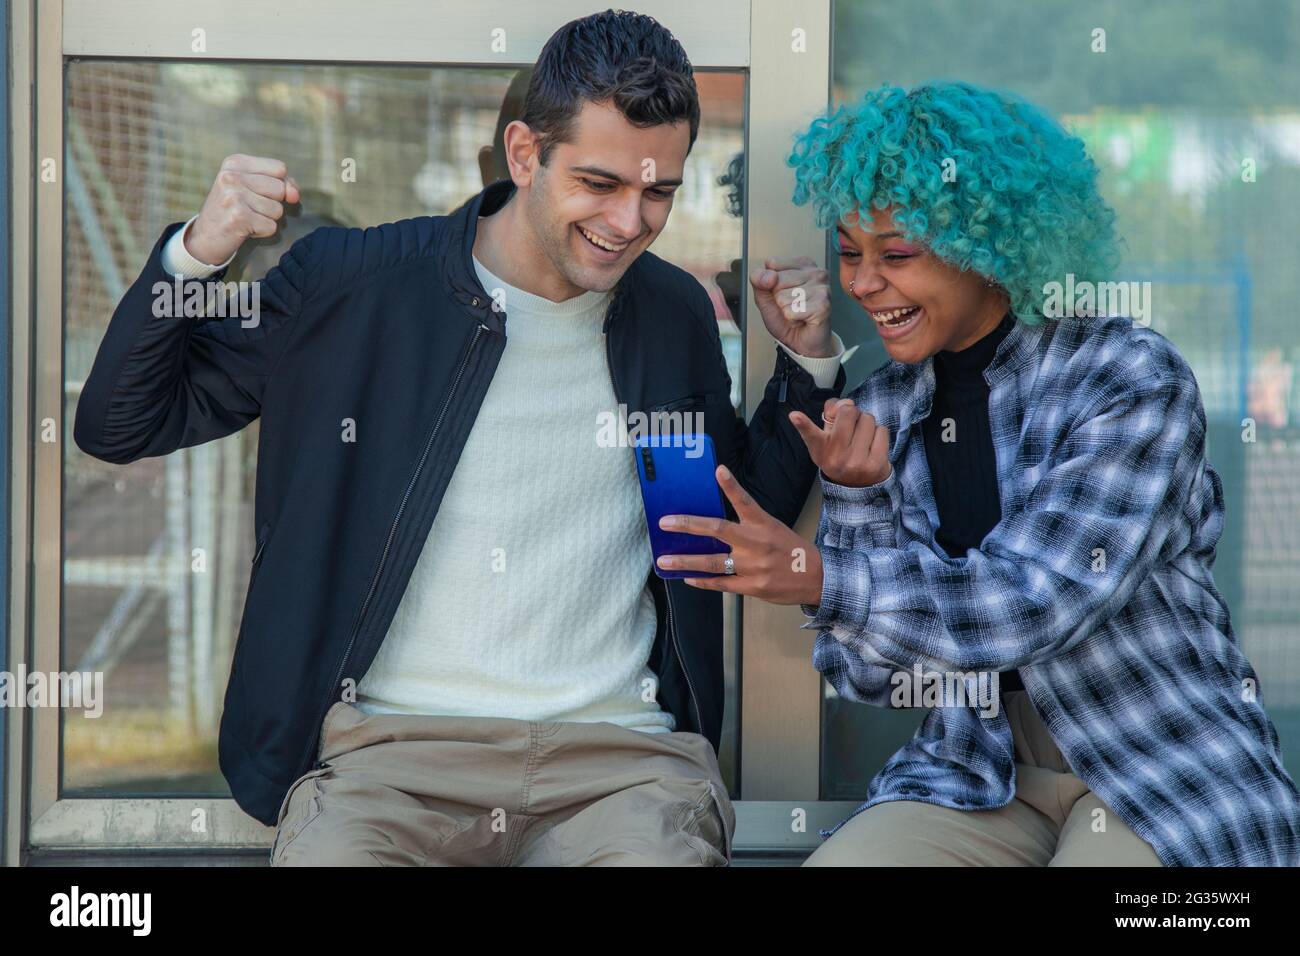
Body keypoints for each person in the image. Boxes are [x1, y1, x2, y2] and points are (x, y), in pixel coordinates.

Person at [73, 10, 847, 866]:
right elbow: (120, 423)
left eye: (658, 191)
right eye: (599, 183)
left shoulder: (666, 313)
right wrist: (194, 256)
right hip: (390, 763)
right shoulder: (351, 286)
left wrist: (805, 364)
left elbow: (716, 532)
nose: (631, 222)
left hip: (620, 768)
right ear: (524, 154)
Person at [656, 80, 1300, 866]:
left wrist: (822, 576)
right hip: (979, 776)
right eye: (851, 253)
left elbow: (1035, 604)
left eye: (896, 254)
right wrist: (854, 499)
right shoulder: (881, 408)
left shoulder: (1126, 378)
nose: (862, 283)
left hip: (1159, 766)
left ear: (989, 246)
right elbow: (866, 676)